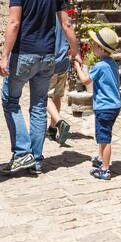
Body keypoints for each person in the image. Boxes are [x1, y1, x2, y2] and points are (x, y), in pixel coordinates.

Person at [0, 0, 81, 174]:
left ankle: (22, 152)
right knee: (37, 106)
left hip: (24, 54)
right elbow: (66, 23)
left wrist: (4, 55)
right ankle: (35, 160)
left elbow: (14, 23)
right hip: (47, 57)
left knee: (10, 101)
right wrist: (76, 50)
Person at [74, 26, 121, 180]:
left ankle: (105, 169)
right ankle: (101, 160)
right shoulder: (112, 64)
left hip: (104, 107)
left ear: (100, 48)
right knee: (102, 135)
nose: (92, 46)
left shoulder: (100, 66)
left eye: (94, 44)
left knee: (105, 138)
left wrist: (77, 67)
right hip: (114, 106)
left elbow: (86, 80)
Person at [45, 10, 74, 147]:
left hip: (50, 61)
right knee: (57, 95)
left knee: (44, 96)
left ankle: (59, 122)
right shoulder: (67, 18)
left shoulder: (47, 17)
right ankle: (52, 130)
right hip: (63, 61)